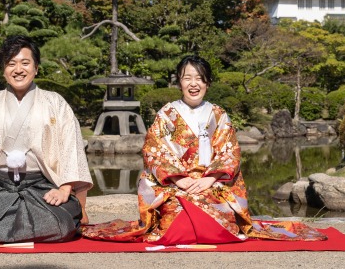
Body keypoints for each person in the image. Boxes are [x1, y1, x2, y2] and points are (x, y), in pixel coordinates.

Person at [82, 55, 326, 244]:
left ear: (207, 83)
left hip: (213, 183)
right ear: (179, 82)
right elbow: (154, 151)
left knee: (218, 217)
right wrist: (181, 180)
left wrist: (209, 178)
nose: (193, 84)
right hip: (173, 184)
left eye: (199, 78)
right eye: (187, 78)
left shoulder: (218, 114)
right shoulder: (167, 113)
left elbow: (230, 153)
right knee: (175, 221)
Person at [0, 35, 92, 243]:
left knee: (62, 223)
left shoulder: (55, 102)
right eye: (11, 64)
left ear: (36, 68)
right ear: (3, 70)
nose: (18, 69)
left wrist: (64, 188)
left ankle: (2, 231)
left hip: (41, 186)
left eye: (25, 63)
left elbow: (71, 147)